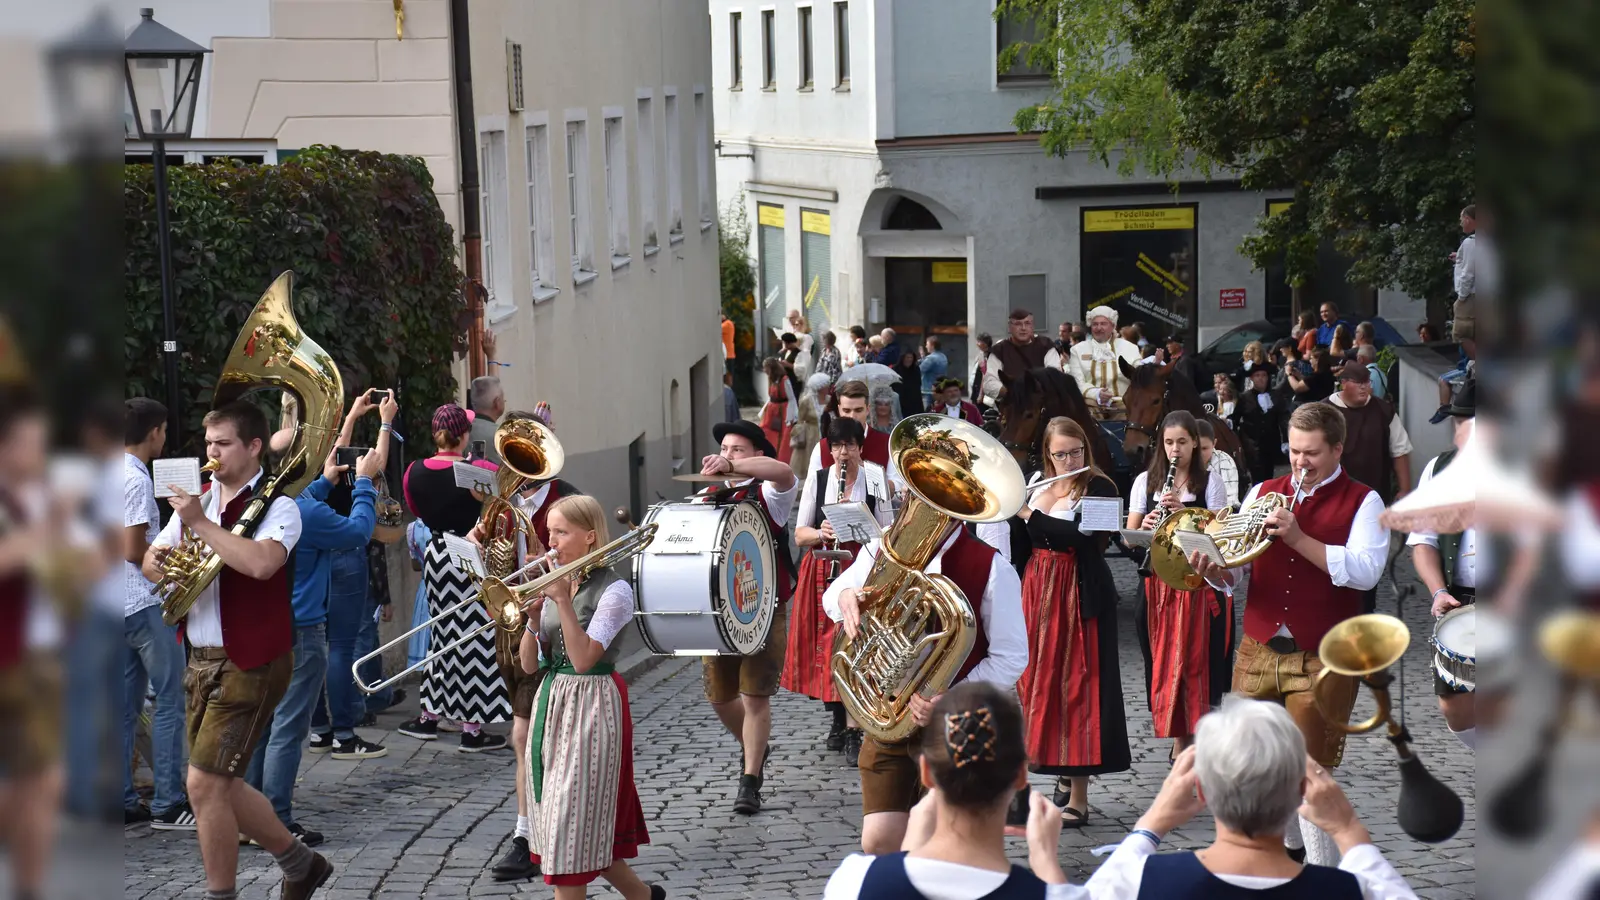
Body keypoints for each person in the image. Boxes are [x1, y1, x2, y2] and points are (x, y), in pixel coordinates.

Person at [1188, 402, 1390, 867]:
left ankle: (1319, 876)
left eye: (1312, 453)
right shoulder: (1263, 491)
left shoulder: (1365, 501)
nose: (1300, 462)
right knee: (1247, 761)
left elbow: (1366, 572)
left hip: (1323, 652)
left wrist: (1298, 538)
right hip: (1258, 645)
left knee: (1310, 770)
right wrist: (1216, 569)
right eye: (1295, 451)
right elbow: (1237, 569)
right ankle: (1282, 853)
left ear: (1337, 449)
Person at [143, 401, 329, 900]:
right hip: (200, 659)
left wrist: (201, 525)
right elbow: (149, 559)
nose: (212, 453)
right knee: (218, 783)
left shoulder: (278, 507)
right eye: (208, 443)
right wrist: (165, 562)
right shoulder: (200, 501)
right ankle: (301, 863)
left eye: (222, 444)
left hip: (252, 659)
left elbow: (262, 564)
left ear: (253, 447)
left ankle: (222, 893)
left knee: (203, 785)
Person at [822, 482, 1030, 855]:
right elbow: (834, 594)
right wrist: (845, 596)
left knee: (942, 846)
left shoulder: (993, 567)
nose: (912, 501)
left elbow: (1011, 656)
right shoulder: (883, 548)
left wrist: (950, 699)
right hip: (888, 715)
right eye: (913, 493)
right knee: (878, 840)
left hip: (956, 730)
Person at [1084, 698, 1423, 898]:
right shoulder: (1348, 890)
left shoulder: (1144, 880)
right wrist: (1349, 831)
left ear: (1201, 789)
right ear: (1303, 793)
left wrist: (1150, 826)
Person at [248, 395, 391, 848]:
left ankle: (250, 817)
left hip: (264, 625)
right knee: (288, 728)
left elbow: (305, 502)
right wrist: (363, 484)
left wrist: (327, 482)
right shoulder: (303, 511)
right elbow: (357, 532)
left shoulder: (267, 498)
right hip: (302, 629)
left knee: (262, 725)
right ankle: (276, 819)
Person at [514, 495, 662, 900]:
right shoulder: (557, 584)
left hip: (593, 705)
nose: (551, 543)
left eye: (561, 532)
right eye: (550, 532)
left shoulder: (615, 591)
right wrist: (531, 620)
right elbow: (528, 665)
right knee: (569, 825)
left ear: (590, 537)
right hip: (553, 702)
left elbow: (583, 660)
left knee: (570, 825)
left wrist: (561, 600)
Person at [821, 683, 1084, 900]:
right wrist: (1046, 861)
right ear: (1020, 777)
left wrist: (909, 850)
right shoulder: (1057, 895)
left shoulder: (853, 881)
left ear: (926, 772)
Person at [474, 411, 585, 882]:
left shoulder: (567, 501)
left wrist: (546, 561)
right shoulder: (502, 504)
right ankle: (540, 829)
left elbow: (582, 569)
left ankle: (526, 837)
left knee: (524, 736)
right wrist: (478, 547)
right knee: (529, 738)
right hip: (510, 628)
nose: (517, 470)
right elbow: (488, 559)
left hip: (548, 629)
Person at [1012, 418, 1129, 829]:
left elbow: (1082, 538)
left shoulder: (1101, 487)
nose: (1069, 460)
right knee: (1034, 682)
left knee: (1078, 688)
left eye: (1076, 452)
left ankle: (1079, 795)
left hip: (1078, 592)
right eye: (1060, 454)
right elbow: (1022, 542)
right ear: (1048, 454)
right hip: (1037, 588)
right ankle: (1056, 764)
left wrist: (1027, 513)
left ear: (1085, 449)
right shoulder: (1036, 483)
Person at [698, 420, 801, 815]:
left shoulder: (770, 493)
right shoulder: (708, 496)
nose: (727, 455)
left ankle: (750, 780)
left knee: (754, 695)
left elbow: (784, 471)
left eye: (737, 449)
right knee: (719, 697)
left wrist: (735, 467)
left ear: (756, 454)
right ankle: (754, 745)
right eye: (724, 449)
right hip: (720, 611)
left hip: (763, 607)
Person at [397, 404, 512, 750]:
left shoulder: (413, 471)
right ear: (464, 435)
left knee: (442, 632)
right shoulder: (477, 469)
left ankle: (429, 716)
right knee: (474, 636)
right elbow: (505, 498)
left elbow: (416, 511)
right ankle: (471, 729)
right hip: (469, 552)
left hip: (435, 554)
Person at [783, 417, 895, 766]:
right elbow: (800, 533)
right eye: (836, 446)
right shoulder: (820, 479)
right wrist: (822, 532)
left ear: (860, 447)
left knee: (856, 645)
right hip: (823, 569)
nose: (842, 453)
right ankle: (837, 720)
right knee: (826, 648)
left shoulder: (875, 478)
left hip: (861, 567)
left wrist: (864, 528)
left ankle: (853, 728)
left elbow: (889, 530)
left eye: (849, 446)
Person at [296, 390, 396, 763]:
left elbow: (339, 449)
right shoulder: (353, 472)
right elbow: (376, 463)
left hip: (319, 553)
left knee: (320, 646)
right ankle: (344, 734)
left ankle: (320, 730)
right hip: (347, 554)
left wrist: (353, 415)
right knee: (341, 647)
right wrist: (385, 422)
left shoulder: (313, 469)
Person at [1125, 411, 1230, 757]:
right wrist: (1149, 526)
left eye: (1182, 442)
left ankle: (1194, 737)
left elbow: (1218, 537)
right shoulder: (1146, 481)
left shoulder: (1210, 482)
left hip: (1195, 584)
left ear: (1194, 444)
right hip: (1156, 585)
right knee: (1161, 659)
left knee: (1196, 662)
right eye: (1169, 442)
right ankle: (1177, 731)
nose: (1175, 450)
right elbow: (1129, 537)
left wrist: (1182, 520)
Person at [123, 397, 195, 830]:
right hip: (143, 601)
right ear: (154, 433)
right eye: (164, 431)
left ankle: (122, 799)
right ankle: (168, 802)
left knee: (124, 706)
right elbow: (134, 550)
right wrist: (174, 557)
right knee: (169, 701)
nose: (165, 438)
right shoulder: (134, 478)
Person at [1407, 380, 1478, 749]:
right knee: (1455, 704)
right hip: (1461, 601)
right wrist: (1438, 591)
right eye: (1459, 424)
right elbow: (1423, 542)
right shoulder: (1439, 469)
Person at [1326, 363, 1412, 505]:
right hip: (1335, 494)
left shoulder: (1384, 411)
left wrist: (1405, 490)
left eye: (1366, 382)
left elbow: (1400, 451)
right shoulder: (1325, 411)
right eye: (1358, 382)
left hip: (1375, 492)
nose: (1363, 387)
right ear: (1344, 383)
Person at [1063, 306, 1141, 419]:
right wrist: (1096, 393)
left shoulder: (1130, 348)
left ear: (1113, 326)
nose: (1099, 328)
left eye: (1103, 324)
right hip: (1091, 404)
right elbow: (1077, 381)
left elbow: (1140, 375)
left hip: (1122, 404)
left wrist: (1153, 365)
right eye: (1095, 324)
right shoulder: (1077, 350)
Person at [982, 309, 1063, 408]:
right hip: (1011, 406)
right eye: (1018, 324)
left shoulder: (1045, 345)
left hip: (1043, 406)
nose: (1023, 328)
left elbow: (1054, 376)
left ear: (1033, 326)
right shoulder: (999, 350)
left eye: (1027, 323)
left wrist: (1033, 394)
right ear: (1010, 327)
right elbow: (989, 383)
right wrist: (1014, 393)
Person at [1238, 365, 1285, 485]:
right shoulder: (1244, 397)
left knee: (1269, 476)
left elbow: (1282, 417)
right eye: (1257, 375)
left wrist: (1285, 438)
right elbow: (1235, 418)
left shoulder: (1275, 395)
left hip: (1270, 442)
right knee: (1257, 477)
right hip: (1253, 444)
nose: (1261, 378)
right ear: (1252, 378)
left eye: (1264, 375)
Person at [758, 356, 798, 466]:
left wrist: (792, 416)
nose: (764, 370)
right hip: (771, 412)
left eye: (765, 368)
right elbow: (770, 397)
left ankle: (780, 460)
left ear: (771, 368)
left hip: (782, 412)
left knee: (782, 437)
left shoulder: (784, 380)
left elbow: (791, 398)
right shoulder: (771, 379)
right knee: (767, 432)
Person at [1196, 420, 1241, 508]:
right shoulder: (1184, 460)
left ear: (1214, 443)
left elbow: (1230, 502)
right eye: (1196, 449)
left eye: (1204, 448)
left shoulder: (1224, 461)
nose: (1199, 454)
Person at [1451, 205, 1476, 341]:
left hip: (1470, 297)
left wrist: (1461, 297)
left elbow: (1468, 274)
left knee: (1462, 337)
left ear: (1467, 219)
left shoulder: (1471, 242)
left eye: (1461, 219)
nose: (1461, 223)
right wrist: (1460, 257)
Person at [470, 376, 506, 465]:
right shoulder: (501, 435)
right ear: (497, 402)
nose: (505, 401)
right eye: (503, 398)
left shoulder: (461, 431)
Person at [919, 336, 948, 410]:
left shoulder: (931, 358)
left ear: (932, 345)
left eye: (927, 344)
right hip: (940, 388)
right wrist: (923, 357)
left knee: (928, 410)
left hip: (929, 389)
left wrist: (922, 359)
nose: (926, 346)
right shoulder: (943, 356)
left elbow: (920, 369)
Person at [893, 350, 925, 417]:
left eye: (911, 357)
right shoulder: (896, 369)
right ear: (903, 358)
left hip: (914, 400)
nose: (909, 360)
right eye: (907, 357)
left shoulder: (916, 369)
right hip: (901, 400)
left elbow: (918, 384)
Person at [971, 333, 993, 399]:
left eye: (979, 341)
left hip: (982, 393)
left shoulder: (989, 356)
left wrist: (981, 395)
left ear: (985, 343)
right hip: (976, 389)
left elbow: (985, 376)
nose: (977, 344)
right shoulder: (981, 354)